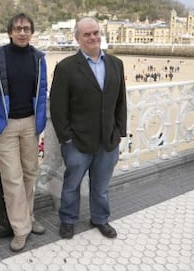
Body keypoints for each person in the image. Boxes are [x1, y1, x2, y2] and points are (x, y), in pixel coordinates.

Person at [49, 17, 127, 240]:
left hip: (108, 140)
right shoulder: (66, 68)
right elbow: (58, 107)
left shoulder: (115, 64)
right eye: (87, 34)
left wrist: (119, 132)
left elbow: (121, 101)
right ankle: (68, 220)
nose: (93, 37)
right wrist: (67, 139)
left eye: (95, 33)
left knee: (101, 187)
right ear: (77, 39)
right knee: (71, 185)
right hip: (77, 142)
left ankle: (100, 219)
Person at [0, 13, 47, 252]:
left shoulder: (39, 58)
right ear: (10, 32)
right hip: (5, 125)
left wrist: (40, 120)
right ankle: (20, 229)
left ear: (32, 32)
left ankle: (28, 217)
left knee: (30, 172)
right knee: (12, 177)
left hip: (31, 123)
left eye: (26, 28)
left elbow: (42, 91)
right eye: (18, 28)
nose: (22, 32)